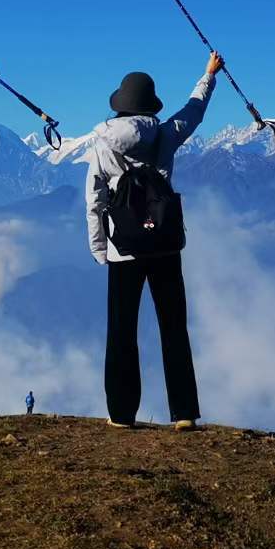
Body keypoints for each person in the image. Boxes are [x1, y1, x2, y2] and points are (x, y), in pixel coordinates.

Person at [86, 51, 224, 432]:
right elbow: (194, 110)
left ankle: (121, 412)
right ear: (149, 105)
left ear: (120, 106)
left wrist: (99, 247)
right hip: (163, 243)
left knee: (122, 330)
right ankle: (183, 411)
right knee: (173, 328)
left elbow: (94, 200)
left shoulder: (102, 144)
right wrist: (208, 75)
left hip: (123, 248)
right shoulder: (164, 134)